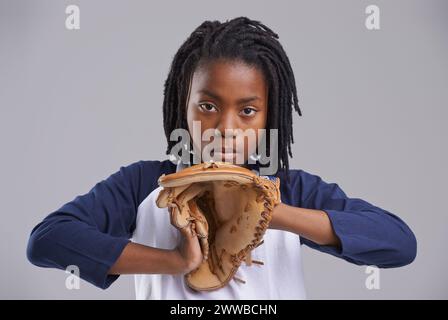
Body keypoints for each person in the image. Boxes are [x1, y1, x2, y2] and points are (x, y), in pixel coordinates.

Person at [26, 17, 417, 299]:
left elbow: (398, 244)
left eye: (247, 111)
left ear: (269, 115)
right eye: (209, 105)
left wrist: (270, 212)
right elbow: (47, 241)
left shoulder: (288, 188)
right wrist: (174, 261)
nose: (226, 126)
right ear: (184, 106)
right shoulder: (145, 186)